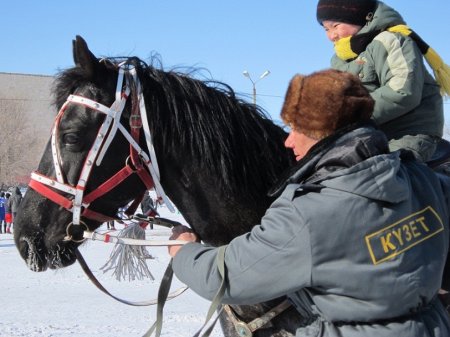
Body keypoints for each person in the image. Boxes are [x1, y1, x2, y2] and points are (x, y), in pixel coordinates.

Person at [168, 69, 450, 336]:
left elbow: (227, 276)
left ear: (320, 131)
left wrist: (183, 252)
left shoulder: (310, 212)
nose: (287, 141)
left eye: (294, 128)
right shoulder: (420, 177)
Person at [316, 0, 450, 162]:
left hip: (407, 133)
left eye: (335, 26)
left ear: (359, 17)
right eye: (325, 29)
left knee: (380, 175)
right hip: (368, 135)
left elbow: (402, 91)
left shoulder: (391, 40)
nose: (331, 36)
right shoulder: (340, 59)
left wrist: (351, 114)